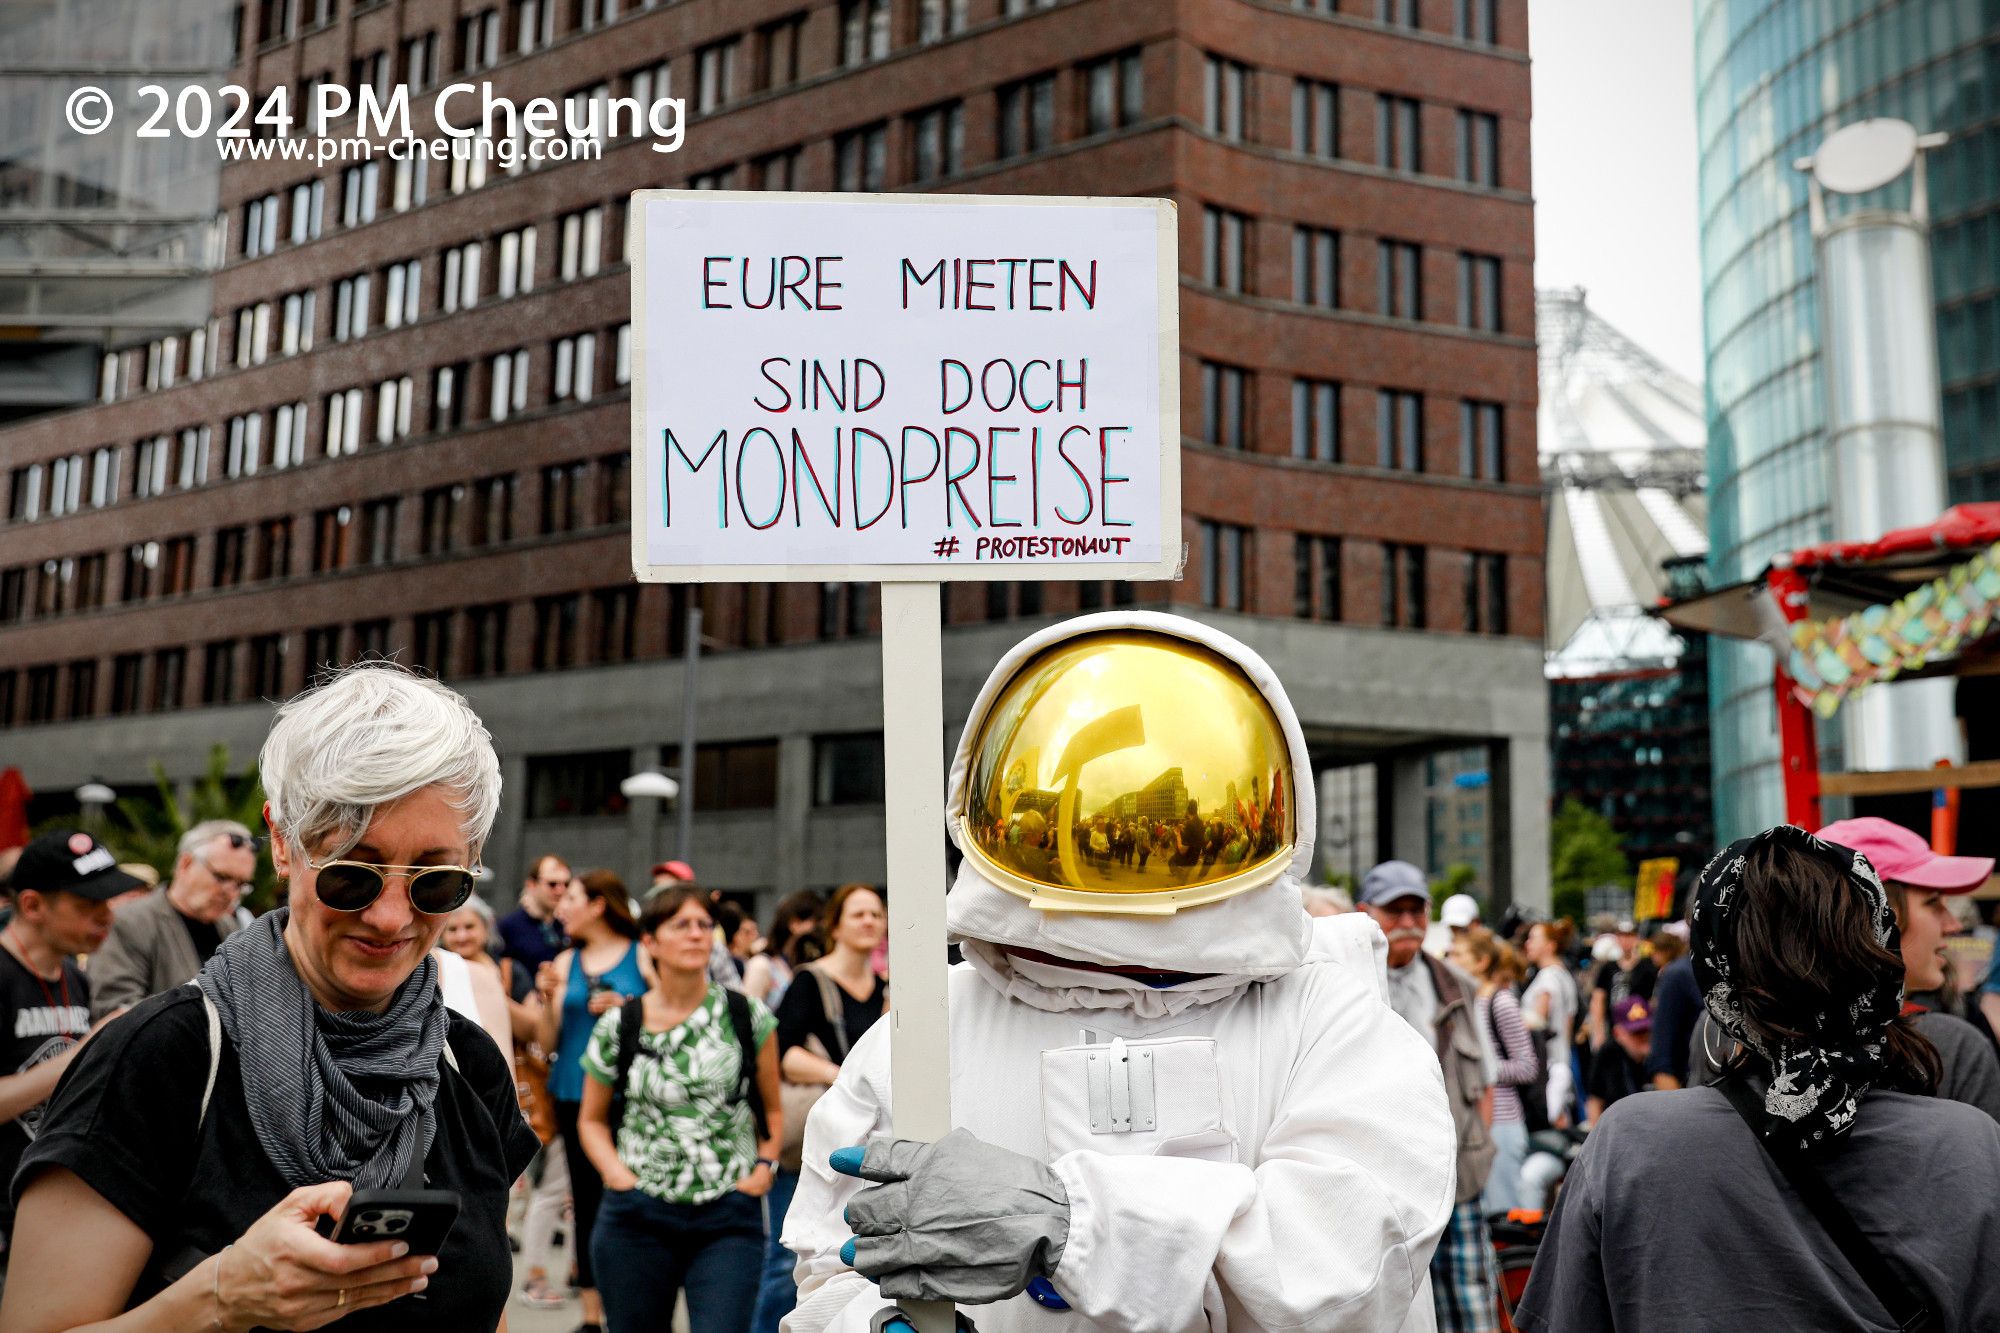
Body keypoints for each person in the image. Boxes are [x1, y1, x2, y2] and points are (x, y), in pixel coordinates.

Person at [785, 615, 1455, 1332]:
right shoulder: (928, 1027)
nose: (1123, 844)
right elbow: (829, 1264)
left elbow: (1350, 1259)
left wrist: (1074, 1222)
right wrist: (876, 1321)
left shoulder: (1326, 1016)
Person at [6, 664, 538, 1330]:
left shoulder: (467, 1061)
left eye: (434, 881)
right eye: (352, 874)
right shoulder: (162, 1057)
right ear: (283, 842)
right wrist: (219, 1298)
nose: (391, 917)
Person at [1515, 824, 2000, 1332]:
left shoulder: (1629, 1143)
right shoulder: (1970, 1145)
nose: (1949, 924)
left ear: (1715, 975)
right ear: (1880, 948)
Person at [577, 884, 782, 1333]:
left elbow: (772, 1109)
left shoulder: (748, 1016)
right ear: (650, 941)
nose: (696, 935)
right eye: (681, 925)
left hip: (728, 1213)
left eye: (704, 925)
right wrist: (616, 1174)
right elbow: (590, 1120)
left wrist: (765, 1164)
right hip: (637, 1214)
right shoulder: (621, 1023)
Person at [1359, 859, 1500, 1333]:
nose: (1406, 923)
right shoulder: (1343, 983)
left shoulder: (1455, 984)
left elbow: (1485, 1076)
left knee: (1469, 1303)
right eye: (1393, 911)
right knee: (1391, 1309)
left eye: (1415, 910)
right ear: (1365, 913)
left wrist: (1482, 1146)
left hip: (1457, 1173)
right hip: (1379, 1182)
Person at [754, 884, 888, 1333]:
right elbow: (784, 1051)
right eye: (858, 914)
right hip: (816, 1135)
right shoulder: (810, 981)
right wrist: (845, 1078)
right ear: (835, 925)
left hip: (869, 1143)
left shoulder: (886, 990)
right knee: (788, 1259)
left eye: (876, 914)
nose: (870, 921)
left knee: (850, 1259)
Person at [0, 830, 133, 1276]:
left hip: (49, 1206)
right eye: (86, 905)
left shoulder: (76, 979)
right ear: (33, 906)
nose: (105, 916)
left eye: (108, 902)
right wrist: (87, 1051)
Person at [536, 868, 649, 1333]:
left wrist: (627, 1010)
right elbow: (547, 1041)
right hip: (573, 1092)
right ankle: (590, 1315)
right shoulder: (565, 963)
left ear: (599, 904)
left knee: (630, 1195)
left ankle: (634, 1304)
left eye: (572, 898)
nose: (562, 908)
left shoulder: (642, 955)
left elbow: (669, 1018)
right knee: (584, 1200)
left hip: (633, 1094)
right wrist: (547, 1000)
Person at [87, 821, 254, 1020]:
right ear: (186, 864)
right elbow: (114, 1009)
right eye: (221, 877)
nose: (230, 892)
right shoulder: (131, 921)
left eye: (240, 884)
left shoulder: (230, 927)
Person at [1452, 926, 1537, 1218]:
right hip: (1476, 1121)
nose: (1451, 958)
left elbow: (1527, 1066)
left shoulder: (1501, 1002)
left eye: (1459, 954)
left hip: (1502, 1122)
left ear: (1481, 962)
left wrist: (1479, 1070)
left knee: (1503, 1214)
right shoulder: (1465, 1000)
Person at [1584, 918, 1656, 1125]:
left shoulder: (1646, 966)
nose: (1626, 941)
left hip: (1640, 1027)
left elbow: (1653, 1001)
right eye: (1622, 936)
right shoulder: (1608, 969)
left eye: (1630, 936)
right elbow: (1598, 1000)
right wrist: (1597, 1033)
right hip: (1617, 1031)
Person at [1521, 918, 1578, 1126]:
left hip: (1548, 1067)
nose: (1528, 943)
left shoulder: (1547, 979)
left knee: (1553, 1125)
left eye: (1533, 939)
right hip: (1562, 1061)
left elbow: (1537, 1024)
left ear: (1550, 946)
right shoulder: (1564, 975)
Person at [742, 890, 823, 1008]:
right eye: (816, 922)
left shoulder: (805, 965)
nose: (819, 930)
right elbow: (748, 1018)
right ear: (794, 924)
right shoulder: (762, 966)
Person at [499, 854, 572, 972]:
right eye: (552, 884)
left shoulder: (568, 925)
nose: (560, 890)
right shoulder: (509, 926)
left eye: (566, 884)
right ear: (531, 885)